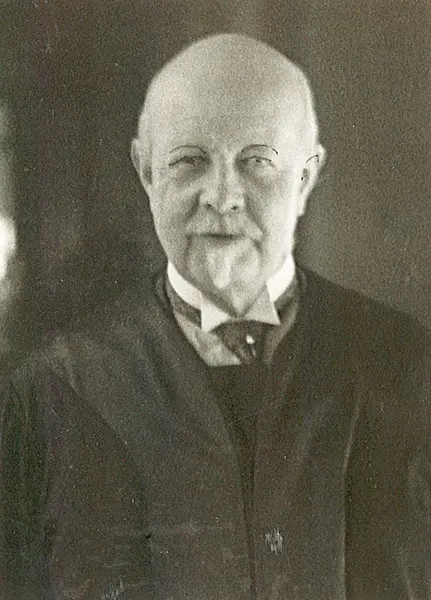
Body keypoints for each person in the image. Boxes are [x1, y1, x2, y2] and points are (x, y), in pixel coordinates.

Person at [1, 33, 430, 600]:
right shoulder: (55, 391)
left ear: (305, 178)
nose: (223, 196)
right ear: (146, 173)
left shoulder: (406, 369)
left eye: (257, 162)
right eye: (189, 162)